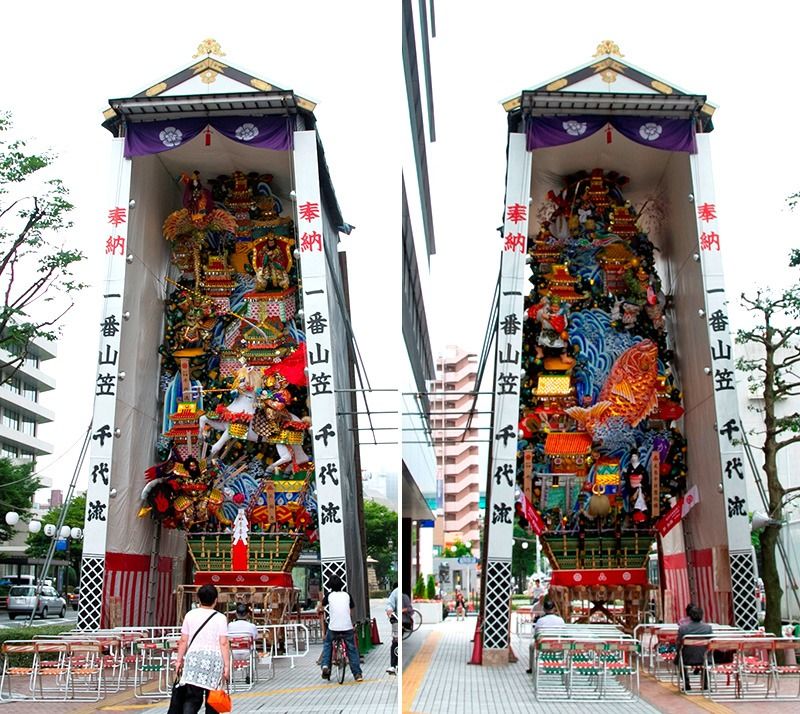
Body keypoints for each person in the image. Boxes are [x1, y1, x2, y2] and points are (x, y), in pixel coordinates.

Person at [175, 583, 230, 714]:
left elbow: (183, 640)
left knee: (192, 698)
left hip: (194, 659)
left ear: (199, 599)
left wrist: (179, 660)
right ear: (216, 600)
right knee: (213, 698)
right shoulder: (221, 618)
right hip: (214, 661)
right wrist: (227, 665)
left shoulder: (190, 615)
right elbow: (223, 643)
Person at [319, 575, 363, 682]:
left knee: (327, 643)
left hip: (333, 628)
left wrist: (319, 609)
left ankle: (325, 666)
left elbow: (321, 607)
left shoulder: (329, 595)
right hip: (347, 627)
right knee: (352, 649)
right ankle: (357, 674)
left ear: (330, 585)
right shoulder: (347, 595)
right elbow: (351, 609)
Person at [676, 604, 712, 691]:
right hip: (704, 657)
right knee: (707, 658)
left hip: (687, 657)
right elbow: (711, 642)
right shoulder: (708, 628)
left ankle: (686, 684)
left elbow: (678, 643)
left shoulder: (683, 628)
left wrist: (678, 651)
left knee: (679, 658)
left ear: (690, 616)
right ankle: (705, 684)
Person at [526, 599, 565, 674]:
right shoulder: (560, 620)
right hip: (557, 646)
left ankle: (531, 668)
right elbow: (563, 634)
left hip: (543, 646)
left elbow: (536, 635)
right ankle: (561, 665)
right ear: (554, 609)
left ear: (544, 609)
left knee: (531, 646)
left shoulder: (540, 621)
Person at [227, 602, 259, 680]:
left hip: (232, 653)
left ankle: (231, 676)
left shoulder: (230, 625)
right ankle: (249, 675)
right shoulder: (251, 626)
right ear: (247, 614)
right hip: (247, 653)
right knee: (254, 656)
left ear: (236, 614)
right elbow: (255, 637)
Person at [385, 584, 400, 675]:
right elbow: (389, 604)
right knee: (395, 642)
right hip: (397, 620)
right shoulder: (396, 592)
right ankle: (393, 666)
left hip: (405, 621)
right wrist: (389, 610)